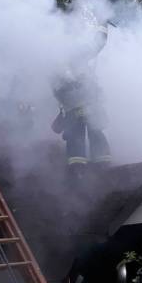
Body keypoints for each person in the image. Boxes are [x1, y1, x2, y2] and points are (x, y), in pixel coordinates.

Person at [52, 24, 112, 179]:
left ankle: (103, 167)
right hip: (74, 110)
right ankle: (78, 171)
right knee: (76, 138)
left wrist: (103, 25)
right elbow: (59, 91)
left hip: (90, 106)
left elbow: (97, 45)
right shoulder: (59, 67)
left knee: (96, 135)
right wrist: (73, 85)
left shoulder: (79, 58)